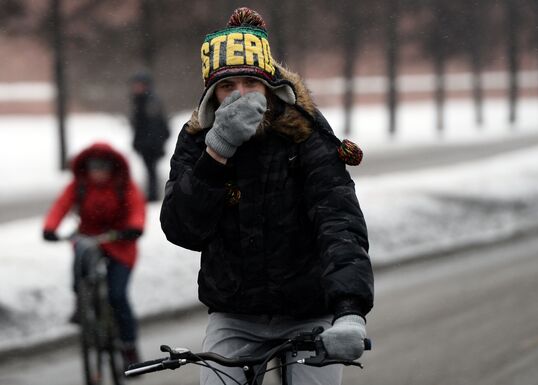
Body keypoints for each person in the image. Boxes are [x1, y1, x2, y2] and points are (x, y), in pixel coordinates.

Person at [160, 7, 374, 385]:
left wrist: (350, 310)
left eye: (250, 83)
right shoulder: (197, 140)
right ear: (212, 94)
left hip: (309, 311)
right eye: (227, 87)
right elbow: (182, 229)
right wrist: (217, 153)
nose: (240, 95)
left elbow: (338, 221)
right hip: (234, 316)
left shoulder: (304, 135)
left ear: (270, 87)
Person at [42, 142, 146, 367]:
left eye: (103, 167)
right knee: (80, 255)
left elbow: (137, 208)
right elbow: (60, 206)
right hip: (89, 240)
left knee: (117, 295)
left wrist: (133, 228)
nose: (98, 172)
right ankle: (81, 301)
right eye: (93, 167)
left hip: (120, 244)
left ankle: (129, 347)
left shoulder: (123, 185)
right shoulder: (79, 185)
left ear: (112, 167)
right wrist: (50, 228)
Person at [129, 71, 170, 201]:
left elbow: (155, 124)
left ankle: (152, 195)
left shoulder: (150, 101)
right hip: (146, 142)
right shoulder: (140, 100)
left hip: (151, 143)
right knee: (150, 169)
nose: (136, 87)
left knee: (151, 169)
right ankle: (152, 193)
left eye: (139, 84)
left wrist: (152, 143)